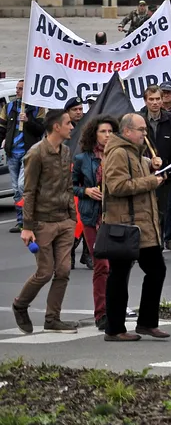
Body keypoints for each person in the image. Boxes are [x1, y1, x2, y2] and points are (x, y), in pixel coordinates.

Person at [101, 113, 169, 342]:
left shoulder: (137, 154)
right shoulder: (118, 153)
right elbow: (117, 186)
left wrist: (153, 169)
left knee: (156, 270)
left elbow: (137, 178)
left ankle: (147, 323)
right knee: (119, 276)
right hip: (124, 226)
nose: (145, 134)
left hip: (142, 226)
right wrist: (151, 181)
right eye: (141, 130)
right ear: (127, 131)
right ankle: (114, 328)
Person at [12, 109, 77, 335]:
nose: (72, 126)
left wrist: (72, 218)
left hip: (64, 220)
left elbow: (68, 186)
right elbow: (28, 192)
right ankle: (20, 305)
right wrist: (27, 226)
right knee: (45, 272)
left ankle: (53, 318)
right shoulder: (36, 153)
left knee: (63, 271)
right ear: (56, 127)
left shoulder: (67, 151)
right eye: (68, 123)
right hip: (42, 222)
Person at [73, 115, 117, 330]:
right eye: (103, 131)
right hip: (92, 217)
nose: (107, 135)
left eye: (110, 131)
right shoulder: (83, 159)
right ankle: (101, 313)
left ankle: (115, 308)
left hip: (115, 217)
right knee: (101, 265)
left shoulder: (120, 156)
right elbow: (70, 186)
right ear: (94, 134)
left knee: (116, 267)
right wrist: (86, 191)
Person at [140, 85, 171, 250]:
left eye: (157, 99)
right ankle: (155, 239)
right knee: (154, 207)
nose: (155, 102)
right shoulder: (139, 120)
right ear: (146, 101)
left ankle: (170, 236)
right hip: (147, 171)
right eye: (151, 99)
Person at [2, 78, 45, 233]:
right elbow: (2, 127)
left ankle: (30, 217)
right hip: (12, 153)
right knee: (15, 189)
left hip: (29, 153)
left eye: (20, 88)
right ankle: (21, 221)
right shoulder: (9, 107)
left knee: (22, 186)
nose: (17, 91)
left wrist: (28, 121)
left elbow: (40, 130)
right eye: (17, 88)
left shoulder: (37, 108)